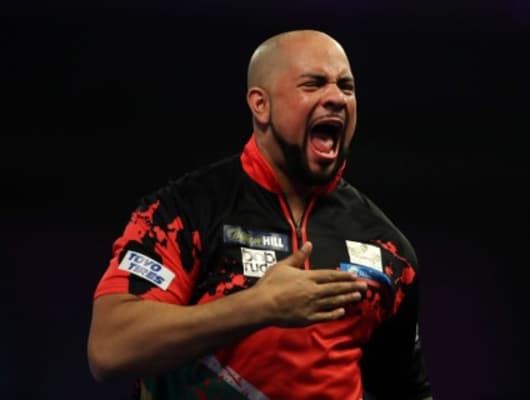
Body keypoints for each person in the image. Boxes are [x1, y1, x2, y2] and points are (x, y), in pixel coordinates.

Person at [87, 29, 433, 400]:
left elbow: (405, 391)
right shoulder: (184, 213)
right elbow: (110, 349)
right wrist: (258, 306)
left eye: (346, 87)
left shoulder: (388, 250)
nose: (336, 98)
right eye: (313, 84)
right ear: (260, 105)